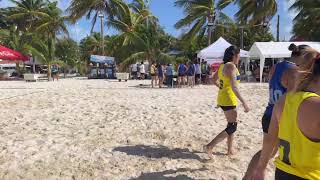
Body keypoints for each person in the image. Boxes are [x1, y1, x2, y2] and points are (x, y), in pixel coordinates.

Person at [243, 44, 310, 180]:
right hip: (279, 118)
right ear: (303, 57)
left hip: (269, 112)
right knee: (267, 154)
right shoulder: (295, 72)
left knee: (267, 152)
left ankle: (248, 177)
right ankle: (249, 177)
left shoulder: (276, 66)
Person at [203, 45, 250, 156]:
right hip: (229, 99)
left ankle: (230, 150)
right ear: (234, 55)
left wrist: (222, 87)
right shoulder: (231, 67)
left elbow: (213, 80)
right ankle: (209, 146)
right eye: (238, 55)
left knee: (231, 125)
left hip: (223, 97)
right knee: (232, 126)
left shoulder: (222, 65)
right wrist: (244, 102)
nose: (239, 58)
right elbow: (234, 87)